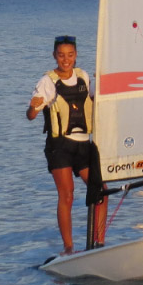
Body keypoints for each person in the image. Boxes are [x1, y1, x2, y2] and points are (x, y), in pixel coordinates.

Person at [26, 35, 106, 254]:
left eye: (70, 55)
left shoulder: (83, 77)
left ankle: (98, 243)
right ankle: (69, 248)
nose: (66, 59)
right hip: (59, 146)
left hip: (84, 145)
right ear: (54, 56)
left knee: (101, 191)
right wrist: (34, 108)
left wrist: (106, 81)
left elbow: (99, 98)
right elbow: (31, 116)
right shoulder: (47, 82)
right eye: (61, 55)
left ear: (76, 55)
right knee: (67, 195)